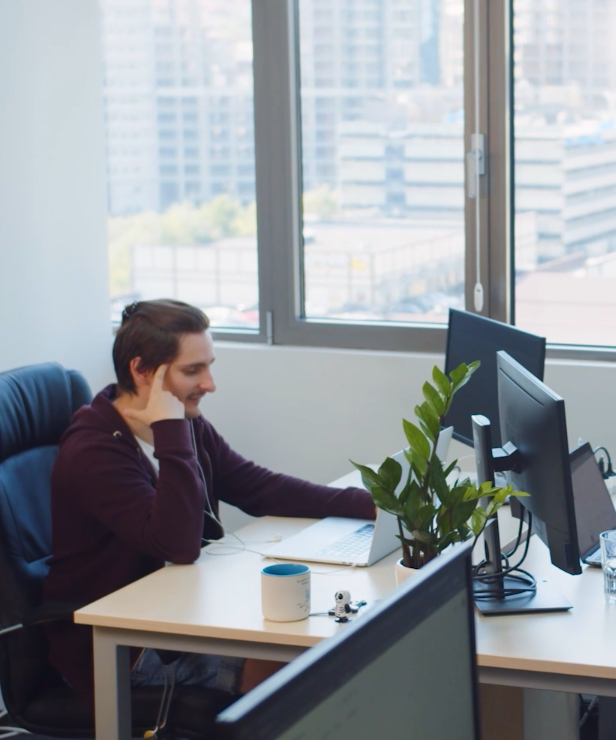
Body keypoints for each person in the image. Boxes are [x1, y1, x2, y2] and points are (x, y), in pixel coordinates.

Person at [43, 299, 378, 708]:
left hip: (181, 610)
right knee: (296, 655)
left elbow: (257, 487)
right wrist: (169, 429)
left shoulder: (186, 424)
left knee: (322, 633)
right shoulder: (94, 451)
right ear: (142, 371)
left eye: (208, 366)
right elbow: (178, 545)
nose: (209, 383)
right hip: (123, 647)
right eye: (192, 370)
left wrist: (370, 504)